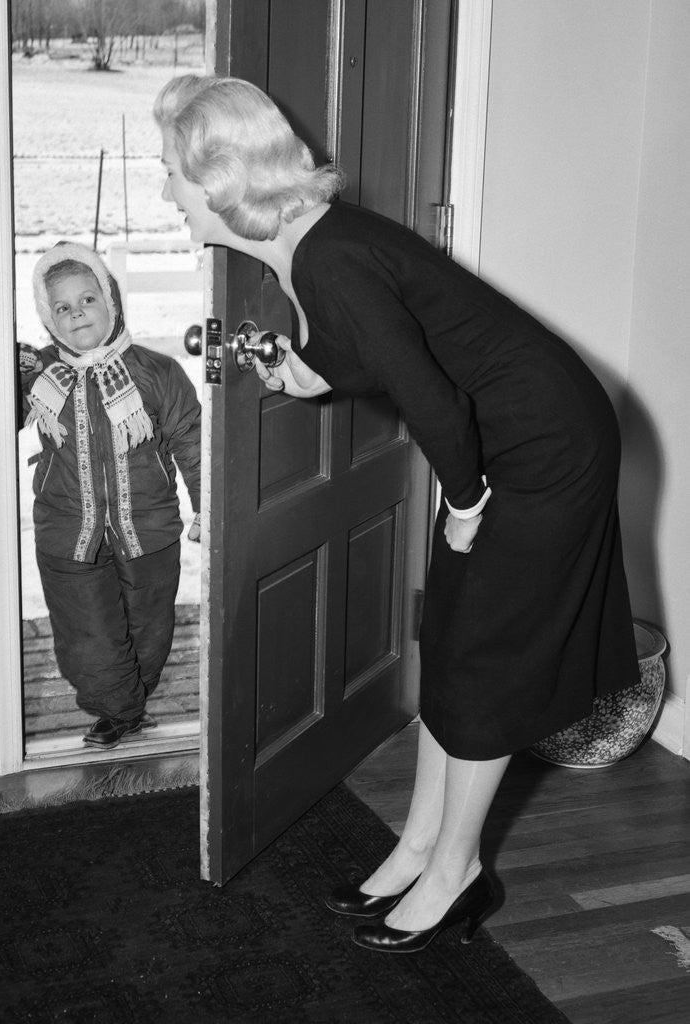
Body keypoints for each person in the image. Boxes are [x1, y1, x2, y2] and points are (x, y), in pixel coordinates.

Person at [153, 74, 640, 953]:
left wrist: (463, 503)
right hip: (508, 441)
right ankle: (417, 847)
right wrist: (315, 369)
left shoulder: (327, 257)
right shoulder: (313, 245)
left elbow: (437, 406)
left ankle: (456, 876)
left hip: (543, 449)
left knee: (485, 659)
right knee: (450, 644)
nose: (166, 191)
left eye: (172, 172)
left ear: (219, 178)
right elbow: (390, 341)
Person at [20, 242, 201, 750]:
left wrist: (206, 503)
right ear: (47, 316)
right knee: (89, 634)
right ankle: (117, 710)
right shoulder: (39, 376)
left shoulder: (157, 372)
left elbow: (191, 440)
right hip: (66, 529)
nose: (77, 313)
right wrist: (12, 366)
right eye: (62, 307)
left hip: (148, 527)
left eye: (87, 300)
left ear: (111, 301)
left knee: (150, 631)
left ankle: (127, 704)